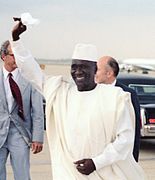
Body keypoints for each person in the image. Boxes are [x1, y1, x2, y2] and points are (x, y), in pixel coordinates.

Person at [10, 20, 146, 179]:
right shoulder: (61, 93)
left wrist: (96, 163)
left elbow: (125, 140)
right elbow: (31, 71)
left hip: (104, 173)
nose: (78, 71)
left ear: (95, 69)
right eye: (74, 66)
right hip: (69, 173)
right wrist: (16, 40)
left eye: (84, 67)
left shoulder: (115, 98)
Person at [0, 39, 44, 180]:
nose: (17, 58)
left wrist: (38, 137)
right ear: (3, 56)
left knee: (22, 175)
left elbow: (38, 110)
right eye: (13, 55)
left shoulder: (30, 78)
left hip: (20, 133)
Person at [95, 56, 141, 162]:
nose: (94, 73)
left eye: (97, 69)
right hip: (98, 159)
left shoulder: (128, 94)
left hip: (121, 158)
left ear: (109, 73)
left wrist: (133, 160)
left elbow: (135, 129)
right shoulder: (93, 92)